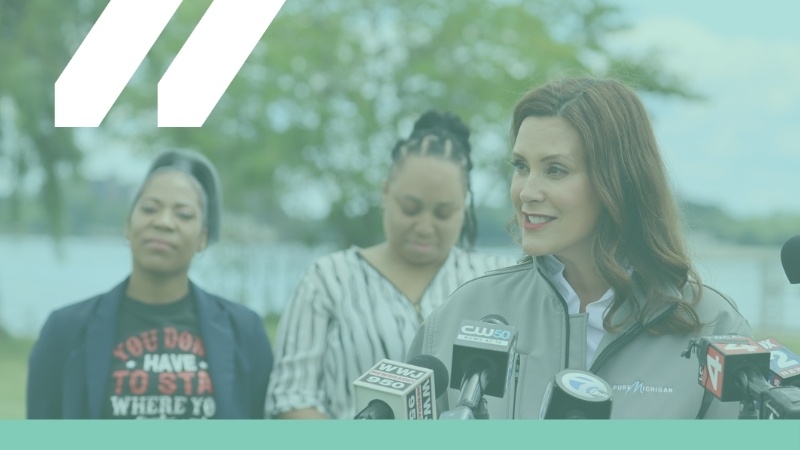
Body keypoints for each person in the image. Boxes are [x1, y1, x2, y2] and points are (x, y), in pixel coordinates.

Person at [406, 77, 754, 419]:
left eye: (555, 170)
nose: (527, 191)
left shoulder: (713, 327)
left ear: (617, 182)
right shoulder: (466, 311)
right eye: (521, 166)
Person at [265, 110, 517, 419]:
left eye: (443, 213)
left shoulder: (495, 279)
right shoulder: (328, 280)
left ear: (464, 206)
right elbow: (290, 398)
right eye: (410, 209)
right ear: (386, 193)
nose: (425, 227)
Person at [27, 149, 273, 419]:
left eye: (184, 215)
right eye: (149, 209)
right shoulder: (66, 330)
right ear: (128, 225)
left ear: (203, 237)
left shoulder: (244, 331)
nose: (164, 222)